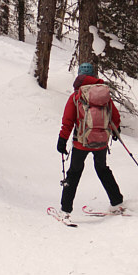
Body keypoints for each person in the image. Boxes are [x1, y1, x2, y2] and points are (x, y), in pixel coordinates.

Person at [57, 62, 123, 216]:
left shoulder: (76, 96)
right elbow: (115, 116)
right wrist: (115, 130)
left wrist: (62, 140)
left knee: (74, 173)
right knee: (102, 169)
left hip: (81, 142)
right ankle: (117, 201)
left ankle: (65, 210)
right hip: (101, 142)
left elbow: (67, 121)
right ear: (94, 75)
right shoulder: (104, 95)